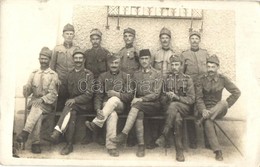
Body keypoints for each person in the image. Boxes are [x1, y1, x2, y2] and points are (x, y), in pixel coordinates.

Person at [110, 49, 163, 157]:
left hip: (154, 104)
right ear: (139, 60)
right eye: (142, 59)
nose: (144, 61)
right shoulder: (136, 74)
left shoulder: (157, 74)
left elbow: (156, 94)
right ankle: (141, 146)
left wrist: (141, 99)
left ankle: (124, 133)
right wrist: (120, 94)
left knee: (137, 105)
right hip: (140, 106)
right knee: (138, 112)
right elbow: (131, 90)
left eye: (146, 58)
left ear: (150, 59)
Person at [46, 49, 94, 155]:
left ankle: (58, 132)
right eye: (76, 58)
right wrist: (57, 84)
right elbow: (64, 91)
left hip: (86, 104)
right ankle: (69, 144)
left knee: (70, 106)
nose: (78, 60)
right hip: (72, 105)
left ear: (84, 60)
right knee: (71, 111)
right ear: (73, 60)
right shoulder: (70, 74)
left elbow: (89, 94)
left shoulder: (88, 74)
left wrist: (75, 100)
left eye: (80, 58)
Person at [85, 54, 133, 157]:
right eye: (112, 63)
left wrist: (117, 94)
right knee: (112, 115)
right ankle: (111, 147)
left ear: (119, 64)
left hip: (120, 104)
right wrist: (98, 109)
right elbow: (98, 95)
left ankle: (96, 123)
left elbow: (130, 95)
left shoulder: (125, 76)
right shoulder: (103, 76)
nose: (114, 65)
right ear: (108, 64)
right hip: (106, 106)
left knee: (114, 99)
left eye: (116, 63)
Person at [195, 55, 241, 161]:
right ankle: (218, 151)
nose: (210, 69)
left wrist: (228, 104)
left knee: (223, 103)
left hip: (219, 109)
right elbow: (199, 98)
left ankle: (205, 117)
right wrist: (203, 110)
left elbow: (237, 92)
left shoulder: (223, 79)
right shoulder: (201, 79)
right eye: (208, 67)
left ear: (217, 67)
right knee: (208, 121)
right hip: (205, 110)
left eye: (213, 67)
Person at [16, 47, 58, 154]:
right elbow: (28, 91)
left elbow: (53, 94)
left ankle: (26, 134)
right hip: (35, 104)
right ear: (38, 59)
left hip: (47, 104)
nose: (43, 61)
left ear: (49, 60)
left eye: (46, 59)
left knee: (37, 108)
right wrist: (26, 88)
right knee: (37, 111)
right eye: (41, 58)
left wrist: (42, 99)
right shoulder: (34, 73)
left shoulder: (53, 75)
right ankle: (35, 143)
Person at [155, 55, 195, 162]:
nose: (174, 67)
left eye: (176, 64)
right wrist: (167, 97)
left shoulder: (187, 79)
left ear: (181, 66)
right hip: (170, 110)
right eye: (172, 65)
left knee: (174, 105)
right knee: (177, 118)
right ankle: (179, 151)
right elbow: (161, 97)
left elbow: (191, 99)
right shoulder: (166, 79)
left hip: (184, 107)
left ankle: (164, 134)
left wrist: (177, 97)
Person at [180, 30, 209, 148]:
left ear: (199, 40)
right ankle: (193, 140)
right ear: (189, 41)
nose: (194, 41)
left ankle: (208, 140)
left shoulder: (205, 53)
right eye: (192, 38)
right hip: (190, 88)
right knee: (191, 112)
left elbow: (210, 69)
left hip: (203, 88)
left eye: (197, 38)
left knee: (205, 111)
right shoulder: (184, 54)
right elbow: (182, 72)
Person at [84, 28, 111, 145]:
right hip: (89, 84)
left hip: (102, 84)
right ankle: (88, 135)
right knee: (89, 106)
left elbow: (108, 71)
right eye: (93, 39)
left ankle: (100, 135)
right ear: (90, 40)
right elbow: (84, 70)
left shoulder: (105, 53)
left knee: (100, 106)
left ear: (100, 40)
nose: (95, 41)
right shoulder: (86, 54)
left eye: (97, 39)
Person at [117, 27, 139, 147]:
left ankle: (131, 137)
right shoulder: (120, 52)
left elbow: (141, 68)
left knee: (133, 108)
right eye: (125, 36)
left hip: (135, 84)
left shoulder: (137, 52)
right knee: (122, 108)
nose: (127, 38)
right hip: (123, 84)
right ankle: (121, 135)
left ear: (134, 38)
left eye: (130, 36)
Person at [50, 23, 79, 111]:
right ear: (63, 35)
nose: (69, 36)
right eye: (67, 33)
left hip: (72, 81)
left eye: (71, 34)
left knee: (72, 105)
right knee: (59, 104)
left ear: (74, 35)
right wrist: (55, 79)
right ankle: (57, 123)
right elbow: (52, 66)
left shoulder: (76, 49)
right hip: (60, 81)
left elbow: (79, 65)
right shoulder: (57, 49)